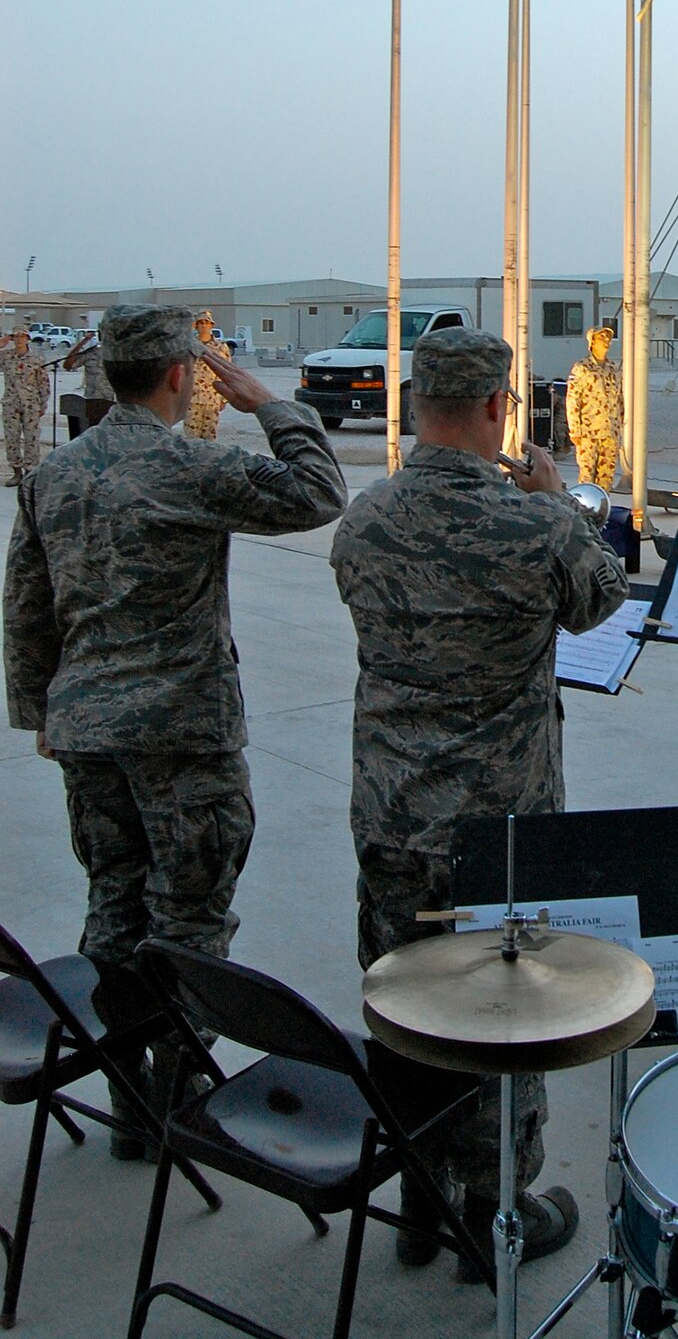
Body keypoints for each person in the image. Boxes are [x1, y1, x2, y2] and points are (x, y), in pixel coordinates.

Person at [3, 304, 347, 1147]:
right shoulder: (187, 468)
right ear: (178, 375)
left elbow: (25, 603)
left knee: (113, 906)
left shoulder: (55, 473)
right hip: (181, 734)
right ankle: (181, 1089)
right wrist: (271, 405)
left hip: (88, 731)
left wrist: (41, 709)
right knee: (190, 918)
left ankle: (128, 1097)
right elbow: (320, 493)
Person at [331, 327, 628, 1274]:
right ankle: (497, 1212)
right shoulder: (535, 528)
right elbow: (603, 598)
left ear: (419, 406)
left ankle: (418, 1202)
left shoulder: (363, 521)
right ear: (503, 409)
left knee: (401, 997)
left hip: (390, 812)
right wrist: (562, 506)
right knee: (506, 1008)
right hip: (499, 825)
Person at [564, 325, 623, 487]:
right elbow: (572, 400)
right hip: (588, 433)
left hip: (610, 432)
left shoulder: (614, 369)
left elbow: (620, 399)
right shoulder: (582, 368)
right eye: (601, 337)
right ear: (592, 342)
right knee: (587, 476)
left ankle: (603, 508)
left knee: (606, 477)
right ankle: (585, 509)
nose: (606, 341)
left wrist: (620, 428)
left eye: (607, 338)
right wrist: (575, 430)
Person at [1, 327, 51, 484]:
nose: (19, 339)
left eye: (23, 336)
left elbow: (43, 382)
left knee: (32, 438)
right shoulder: (6, 357)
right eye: (16, 336)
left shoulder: (36, 359)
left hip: (31, 403)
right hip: (11, 403)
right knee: (12, 438)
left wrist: (43, 403)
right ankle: (16, 471)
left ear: (28, 338)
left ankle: (30, 472)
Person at [183, 309, 232, 441]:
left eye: (206, 322)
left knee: (210, 439)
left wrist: (224, 399)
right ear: (196, 326)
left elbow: (227, 373)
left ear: (212, 325)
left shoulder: (221, 347)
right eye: (200, 323)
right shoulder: (188, 346)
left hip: (212, 399)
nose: (204, 325)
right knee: (191, 439)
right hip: (191, 399)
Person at [62, 328, 114, 437]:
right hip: (91, 400)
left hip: (109, 400)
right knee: (91, 435)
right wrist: (82, 343)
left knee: (106, 436)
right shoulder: (91, 353)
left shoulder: (116, 355)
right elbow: (68, 365)